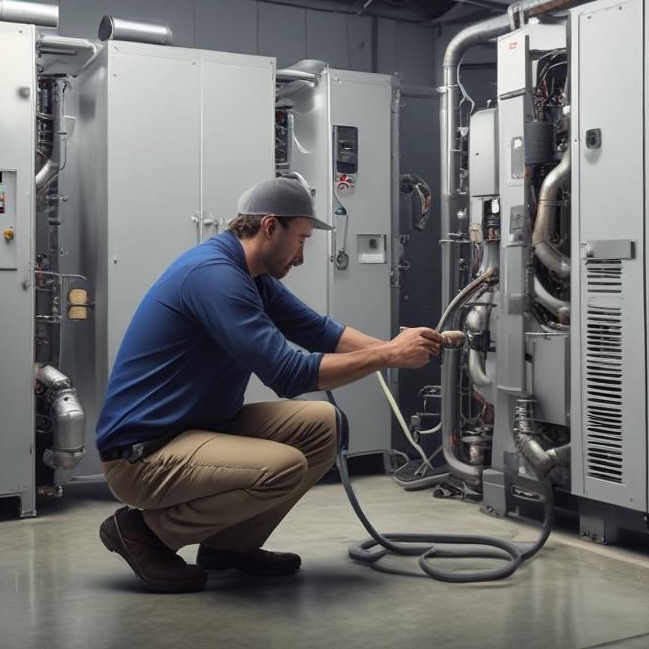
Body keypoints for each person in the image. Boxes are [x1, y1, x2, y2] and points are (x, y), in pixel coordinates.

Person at [95, 176, 443, 592]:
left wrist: (401, 346)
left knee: (324, 425)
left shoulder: (252, 276)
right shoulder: (215, 276)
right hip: (144, 453)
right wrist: (389, 356)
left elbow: (319, 332)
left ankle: (230, 546)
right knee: (282, 467)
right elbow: (288, 374)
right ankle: (142, 533)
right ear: (269, 226)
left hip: (199, 430)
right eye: (300, 240)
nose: (301, 254)